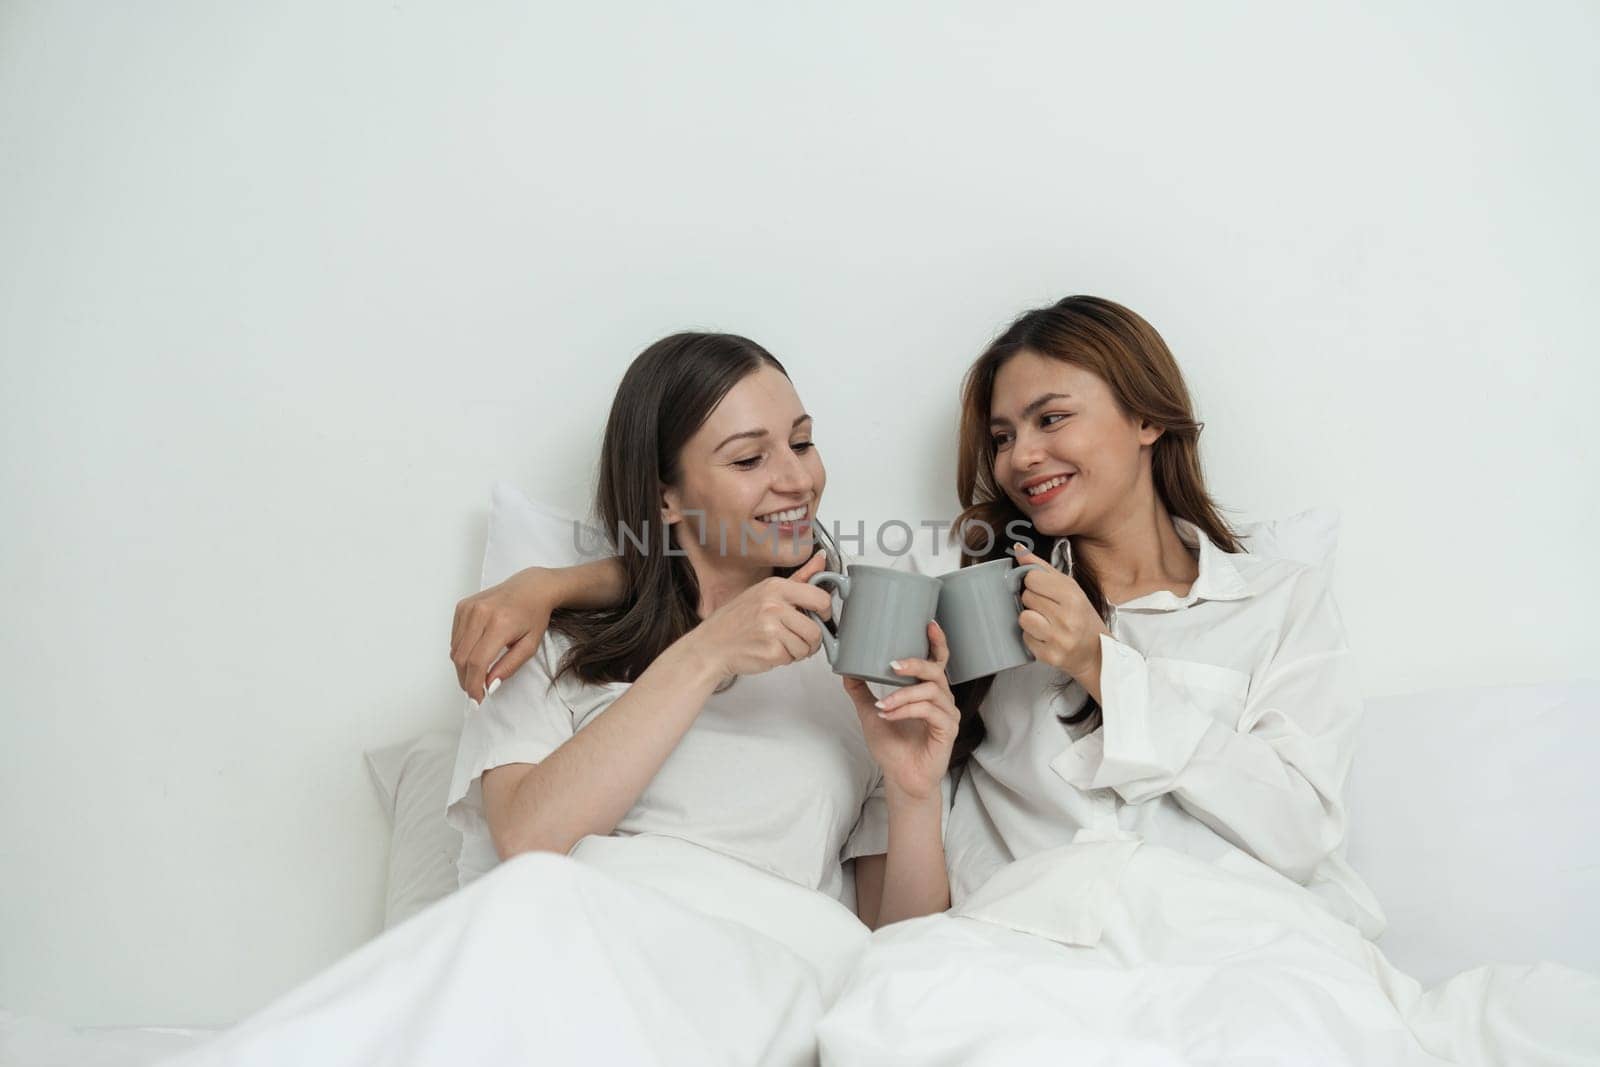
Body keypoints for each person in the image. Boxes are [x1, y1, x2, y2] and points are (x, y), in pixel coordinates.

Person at [167, 331, 957, 1067]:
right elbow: (531, 840)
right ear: (667, 499)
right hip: (576, 947)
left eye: (804, 440)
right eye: (749, 458)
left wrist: (916, 792)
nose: (797, 478)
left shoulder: (853, 669)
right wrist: (707, 652)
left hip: (763, 975)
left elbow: (906, 958)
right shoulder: (553, 643)